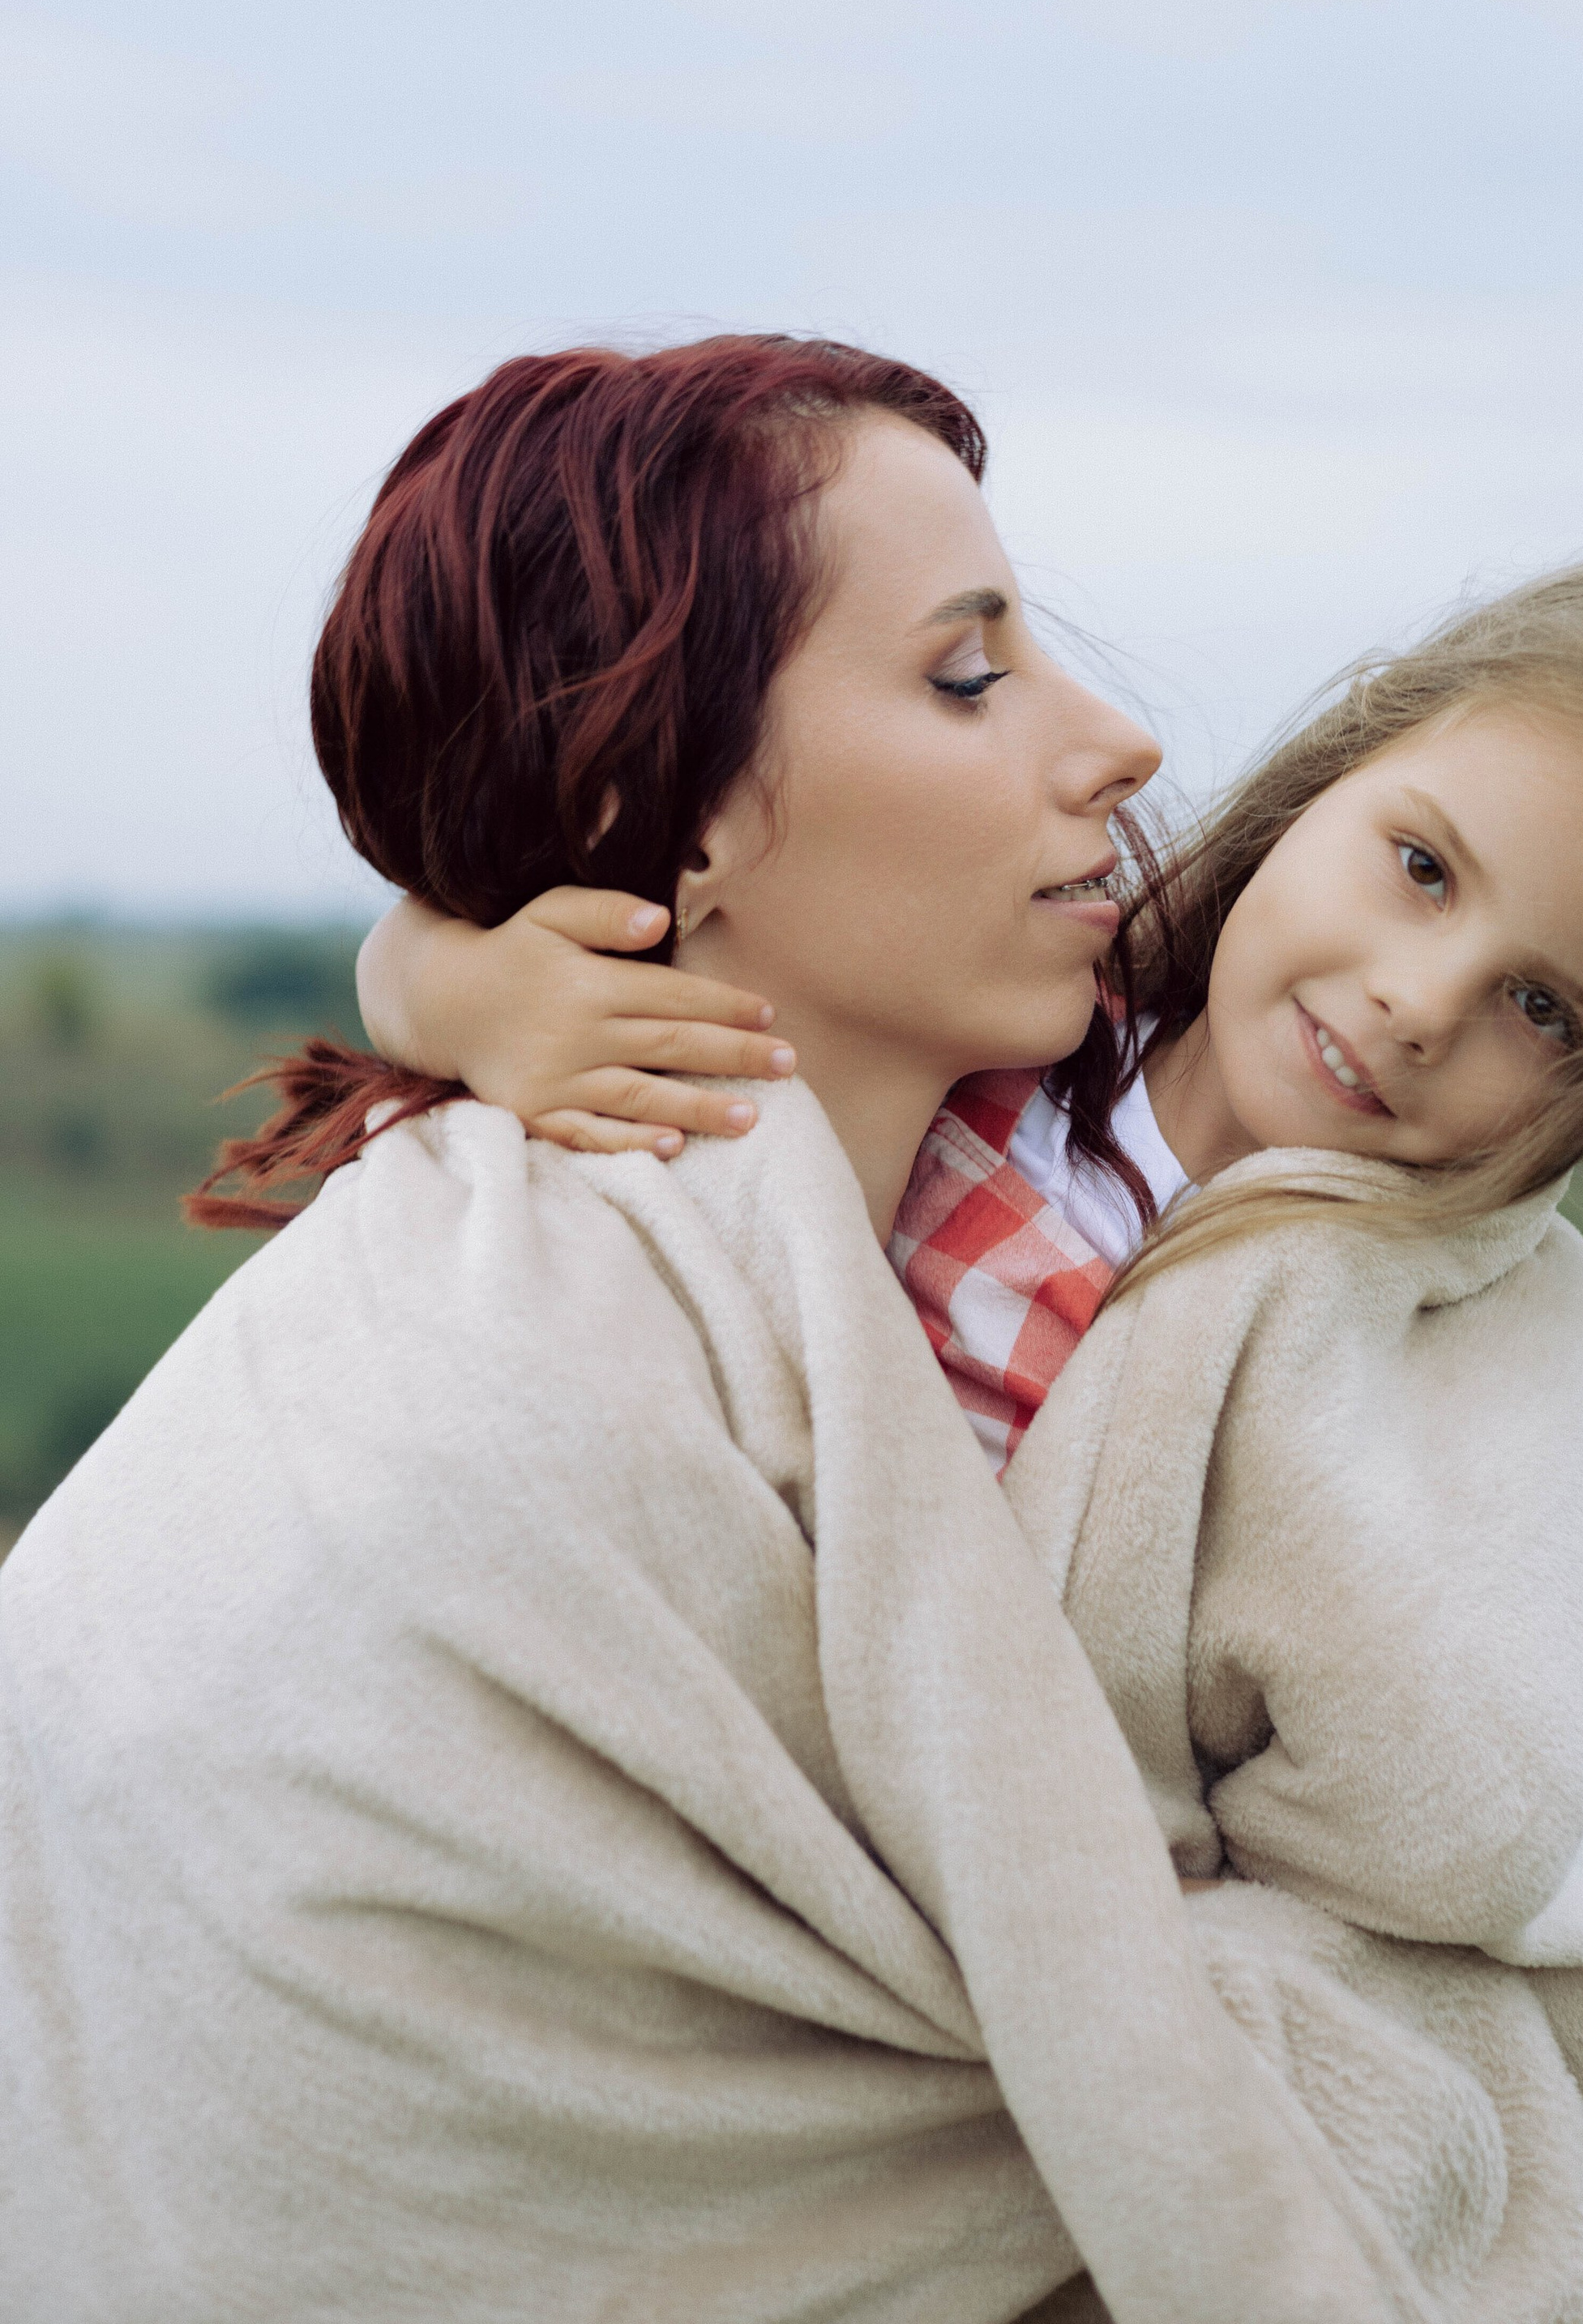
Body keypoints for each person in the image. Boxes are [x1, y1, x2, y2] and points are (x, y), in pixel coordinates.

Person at [0, 335, 1434, 2324]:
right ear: (654, 812)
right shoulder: (498, 1342)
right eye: (965, 672)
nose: (1112, 740)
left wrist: (434, 969)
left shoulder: (1075, 1148)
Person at [362, 542, 1583, 2318]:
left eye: (1544, 1013)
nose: (1416, 996)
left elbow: (1446, 1807)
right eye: (1418, 868)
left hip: (1008, 1918)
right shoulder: (1006, 999)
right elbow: (450, 956)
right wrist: (459, 1000)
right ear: (1333, 773)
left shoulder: (1430, 1321)